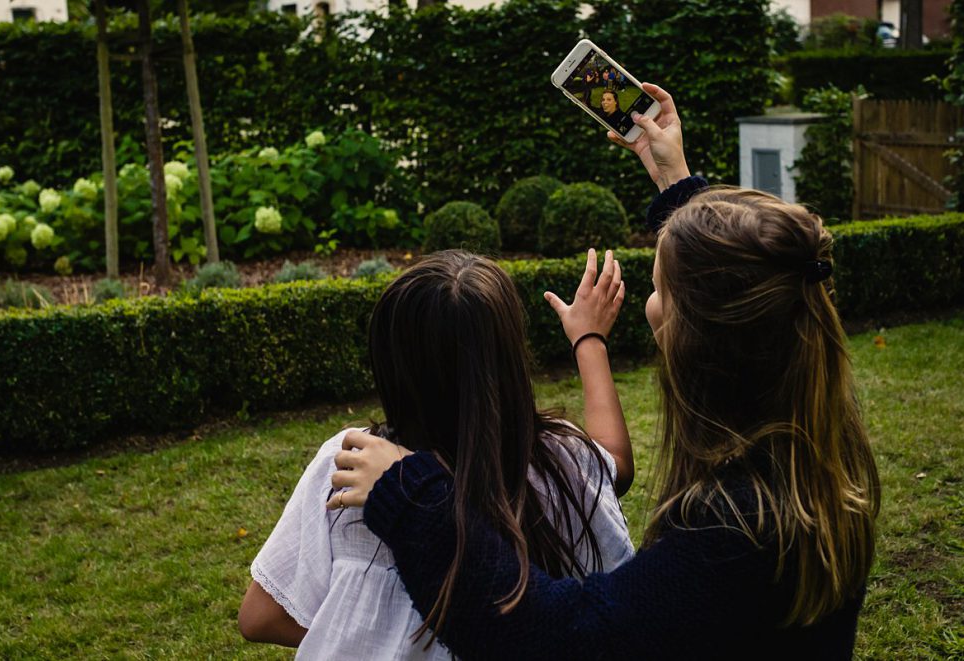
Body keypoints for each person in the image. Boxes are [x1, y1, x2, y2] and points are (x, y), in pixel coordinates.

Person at [329, 82, 881, 660]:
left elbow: (559, 639)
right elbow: (757, 288)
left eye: (658, 288)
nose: (648, 304)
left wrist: (412, 494)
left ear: (700, 340)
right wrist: (677, 181)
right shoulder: (821, 437)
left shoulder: (736, 528)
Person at [238, 250, 637, 658]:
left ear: (389, 364)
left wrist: (363, 635)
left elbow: (259, 616)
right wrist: (589, 340)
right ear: (510, 357)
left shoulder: (349, 464)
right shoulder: (561, 462)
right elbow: (615, 467)